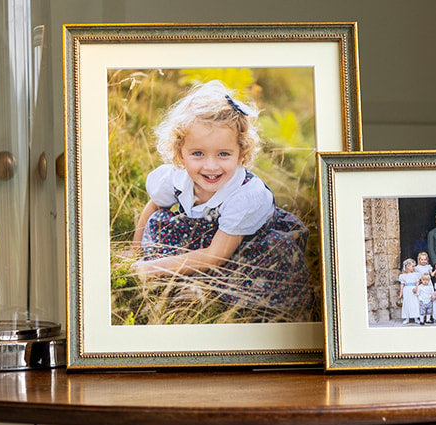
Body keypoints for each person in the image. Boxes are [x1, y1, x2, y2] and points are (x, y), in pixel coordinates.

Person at [131, 80, 313, 321]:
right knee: (159, 222)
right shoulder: (175, 176)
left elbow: (215, 256)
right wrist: (135, 253)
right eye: (198, 153)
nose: (211, 166)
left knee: (272, 260)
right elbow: (153, 204)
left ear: (241, 153)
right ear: (179, 153)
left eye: (223, 154)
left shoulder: (246, 195)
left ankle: (204, 289)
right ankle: (185, 282)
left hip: (244, 247)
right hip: (202, 239)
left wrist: (151, 268)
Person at [398, 258, 420, 324]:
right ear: (407, 267)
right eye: (412, 266)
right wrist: (401, 292)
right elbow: (402, 284)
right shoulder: (403, 276)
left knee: (415, 303)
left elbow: (417, 282)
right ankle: (407, 318)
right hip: (407, 290)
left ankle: (416, 317)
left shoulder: (416, 274)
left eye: (414, 266)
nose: (414, 268)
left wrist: (416, 288)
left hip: (413, 289)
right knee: (407, 303)